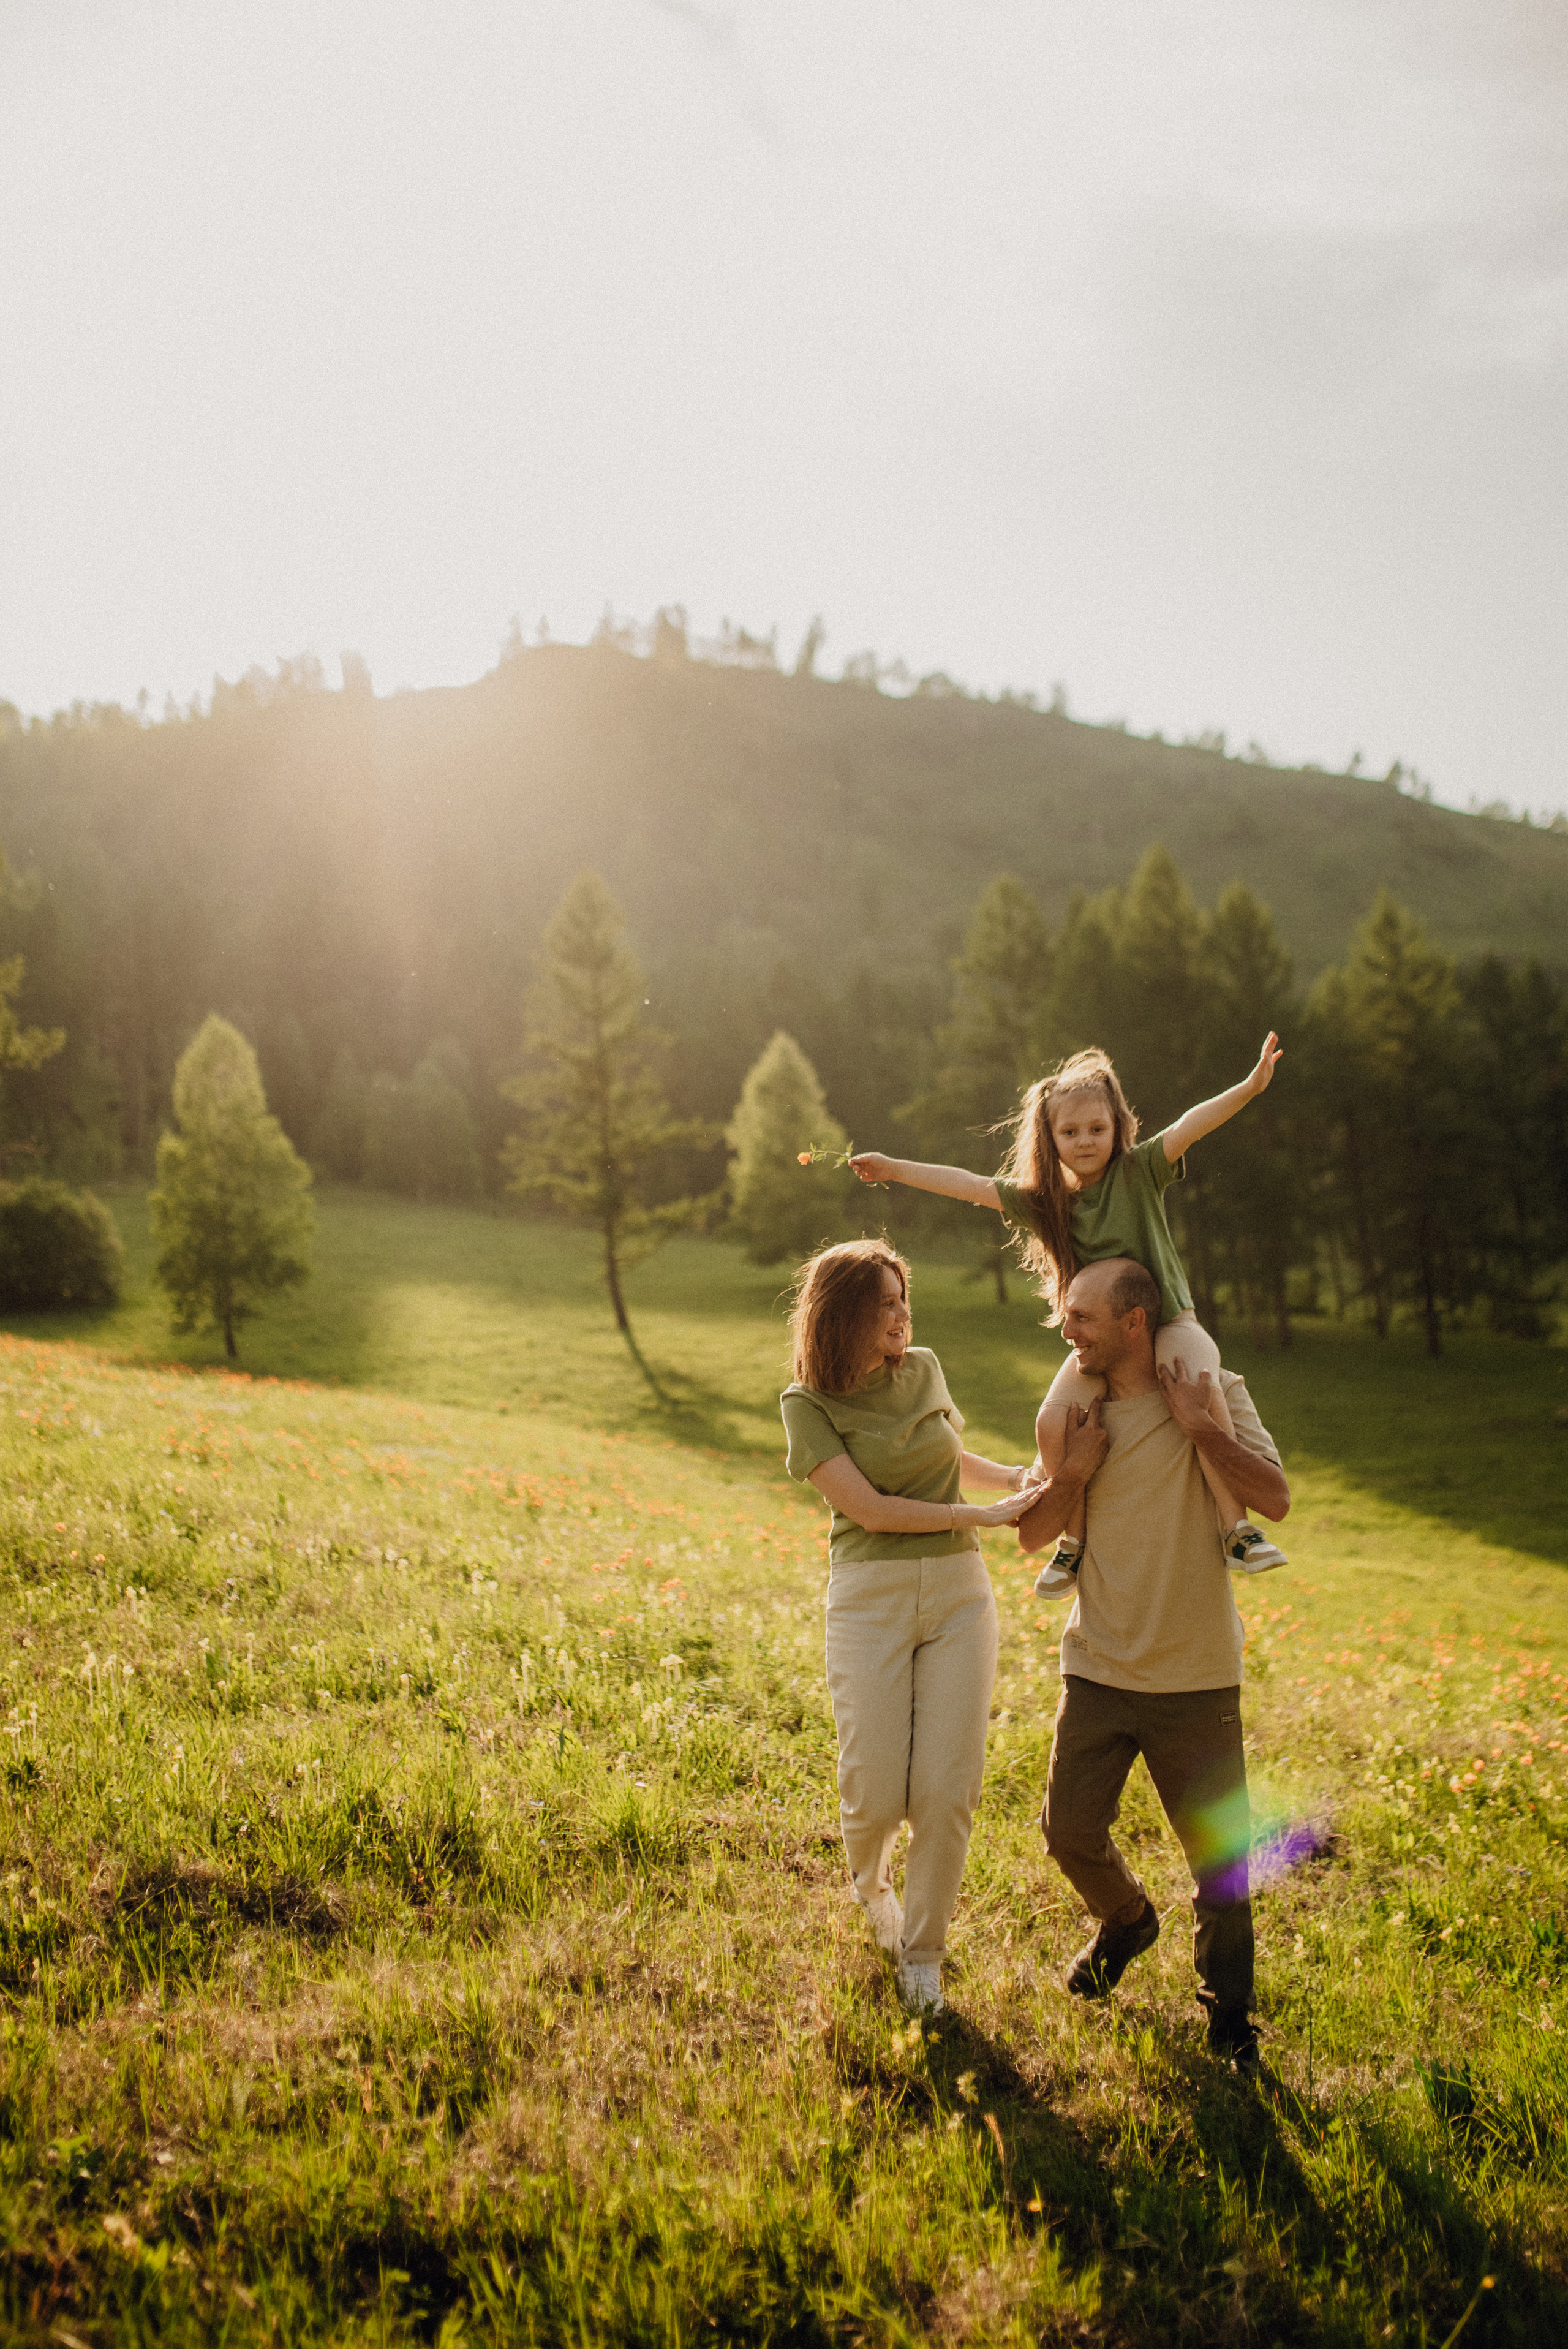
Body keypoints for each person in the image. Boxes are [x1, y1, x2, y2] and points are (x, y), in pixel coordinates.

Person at [848, 1037, 1287, 1596]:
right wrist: (894, 1168)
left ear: (1117, 1128)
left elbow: (1190, 1125)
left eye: (1097, 1130)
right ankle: (1071, 1545)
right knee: (1052, 1424)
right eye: (1070, 1132)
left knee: (1197, 1386)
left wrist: (1250, 1088)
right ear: (1050, 1138)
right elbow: (968, 1183)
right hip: (1096, 1341)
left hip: (1172, 1321)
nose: (1085, 1142)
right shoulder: (1046, 1201)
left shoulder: (1141, 1170)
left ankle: (1237, 1531)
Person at [1016, 1255, 1291, 2072]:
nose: (1068, 1333)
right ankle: (1128, 1919)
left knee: (1221, 1865)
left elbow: (1273, 1497)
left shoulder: (1215, 1392)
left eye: (1083, 1318)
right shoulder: (1078, 1413)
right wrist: (1071, 1475)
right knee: (1068, 1831)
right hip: (1096, 1666)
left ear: (1135, 1320)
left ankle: (1229, 2016)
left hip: (1197, 1676)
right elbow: (1033, 1536)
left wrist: (1205, 1429)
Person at [780, 1239, 1041, 2014]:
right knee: (874, 1791)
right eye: (886, 1303)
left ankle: (923, 1954)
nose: (902, 1315)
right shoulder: (807, 1404)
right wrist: (982, 1516)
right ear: (845, 1314)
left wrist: (1019, 1480)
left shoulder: (922, 1368)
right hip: (870, 1598)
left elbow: (954, 1456)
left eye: (904, 1299)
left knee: (946, 1789)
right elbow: (869, 1510)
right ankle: (871, 1886)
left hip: (960, 1594)